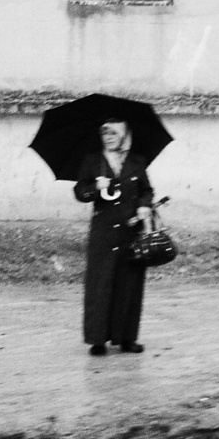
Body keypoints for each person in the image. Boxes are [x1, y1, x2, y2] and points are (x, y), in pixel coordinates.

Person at [73, 118, 154, 356]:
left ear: (123, 136)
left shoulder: (136, 162)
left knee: (129, 285)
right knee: (100, 285)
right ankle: (98, 340)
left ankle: (127, 338)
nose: (109, 138)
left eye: (113, 134)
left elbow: (146, 190)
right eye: (105, 135)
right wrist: (95, 188)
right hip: (103, 234)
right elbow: (80, 191)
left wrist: (144, 205)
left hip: (130, 233)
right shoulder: (93, 162)